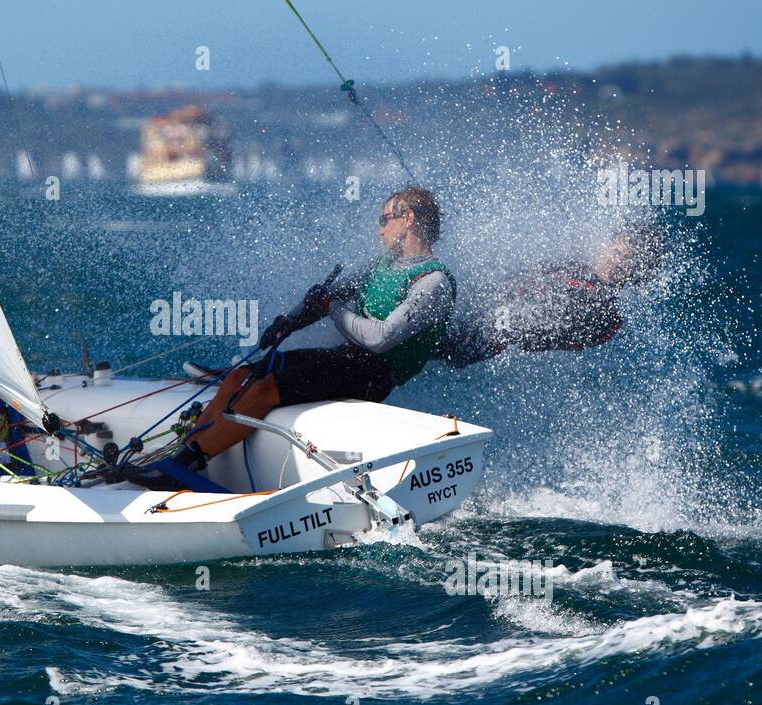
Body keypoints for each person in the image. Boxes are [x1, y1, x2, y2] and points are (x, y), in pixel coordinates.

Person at [126, 187, 456, 492]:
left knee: (265, 389)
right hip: (346, 359)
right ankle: (183, 451)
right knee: (245, 374)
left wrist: (332, 308)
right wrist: (290, 322)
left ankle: (182, 467)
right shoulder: (383, 265)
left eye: (385, 220)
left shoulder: (433, 282)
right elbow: (329, 299)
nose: (380, 229)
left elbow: (379, 339)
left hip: (373, 375)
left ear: (409, 219)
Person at [437, 222, 668, 368]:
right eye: (616, 251)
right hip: (484, 306)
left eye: (628, 261)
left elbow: (536, 329)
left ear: (638, 274)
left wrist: (491, 316)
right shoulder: (575, 264)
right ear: (608, 245)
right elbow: (522, 277)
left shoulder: (604, 312)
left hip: (485, 332)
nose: (616, 261)